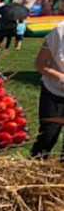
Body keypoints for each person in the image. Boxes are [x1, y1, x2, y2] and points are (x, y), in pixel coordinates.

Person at [31, 20, 64, 158]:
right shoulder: (59, 32)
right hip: (54, 91)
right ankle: (37, 163)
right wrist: (59, 76)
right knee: (48, 136)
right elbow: (40, 64)